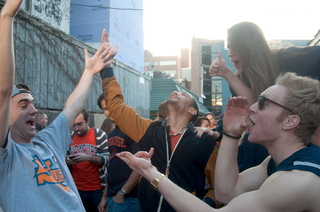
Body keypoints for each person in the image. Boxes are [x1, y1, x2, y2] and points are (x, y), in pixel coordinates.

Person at [117, 72, 320, 212]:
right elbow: (226, 192)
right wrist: (231, 134)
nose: (252, 107)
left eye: (263, 103)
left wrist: (152, 174)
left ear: (290, 121)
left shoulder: (300, 179)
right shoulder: (275, 163)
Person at [0, 0, 115, 210]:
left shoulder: (47, 140)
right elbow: (3, 90)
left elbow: (71, 107)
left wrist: (89, 72)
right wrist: (6, 16)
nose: (34, 110)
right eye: (23, 105)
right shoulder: (6, 155)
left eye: (33, 104)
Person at [99, 30, 221, 211]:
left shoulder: (204, 141)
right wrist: (107, 67)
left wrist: (205, 205)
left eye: (183, 93)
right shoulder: (150, 129)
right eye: (176, 91)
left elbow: (218, 187)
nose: (176, 92)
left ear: (192, 110)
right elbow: (116, 107)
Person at [209, 22, 320, 145]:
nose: (229, 54)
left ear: (247, 46)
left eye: (233, 47)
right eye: (228, 47)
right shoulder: (238, 81)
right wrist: (227, 74)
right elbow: (252, 108)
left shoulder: (290, 59)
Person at [97, 91, 140, 212]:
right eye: (105, 108)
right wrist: (105, 196)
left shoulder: (133, 129)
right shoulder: (110, 135)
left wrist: (121, 193)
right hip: (112, 196)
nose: (110, 111)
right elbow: (112, 166)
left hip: (128, 198)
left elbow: (140, 167)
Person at [67, 108, 109, 212]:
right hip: (76, 189)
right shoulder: (69, 137)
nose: (76, 128)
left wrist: (88, 157)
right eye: (74, 125)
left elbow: (107, 160)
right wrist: (67, 160)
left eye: (80, 124)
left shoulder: (99, 135)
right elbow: (62, 158)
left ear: (88, 121)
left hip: (97, 190)